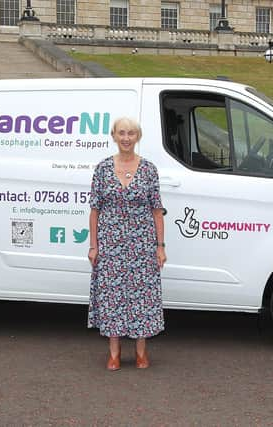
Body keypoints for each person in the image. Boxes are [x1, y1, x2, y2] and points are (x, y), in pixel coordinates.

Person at [87, 117, 166, 371]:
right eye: (121, 133)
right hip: (110, 244)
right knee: (112, 296)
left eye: (131, 133)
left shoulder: (149, 169)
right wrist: (93, 245)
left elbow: (156, 210)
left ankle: (141, 350)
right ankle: (114, 351)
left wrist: (160, 246)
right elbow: (95, 210)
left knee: (141, 295)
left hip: (142, 244)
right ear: (114, 136)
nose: (126, 138)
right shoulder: (102, 168)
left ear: (138, 136)